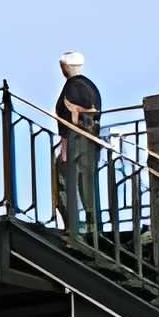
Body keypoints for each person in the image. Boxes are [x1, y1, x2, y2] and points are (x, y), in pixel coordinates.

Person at [54, 52, 106, 236]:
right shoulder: (90, 86)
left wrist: (65, 148)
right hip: (90, 140)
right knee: (86, 184)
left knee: (65, 180)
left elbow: (71, 118)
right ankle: (92, 225)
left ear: (65, 66)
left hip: (77, 141)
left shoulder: (73, 86)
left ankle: (74, 224)